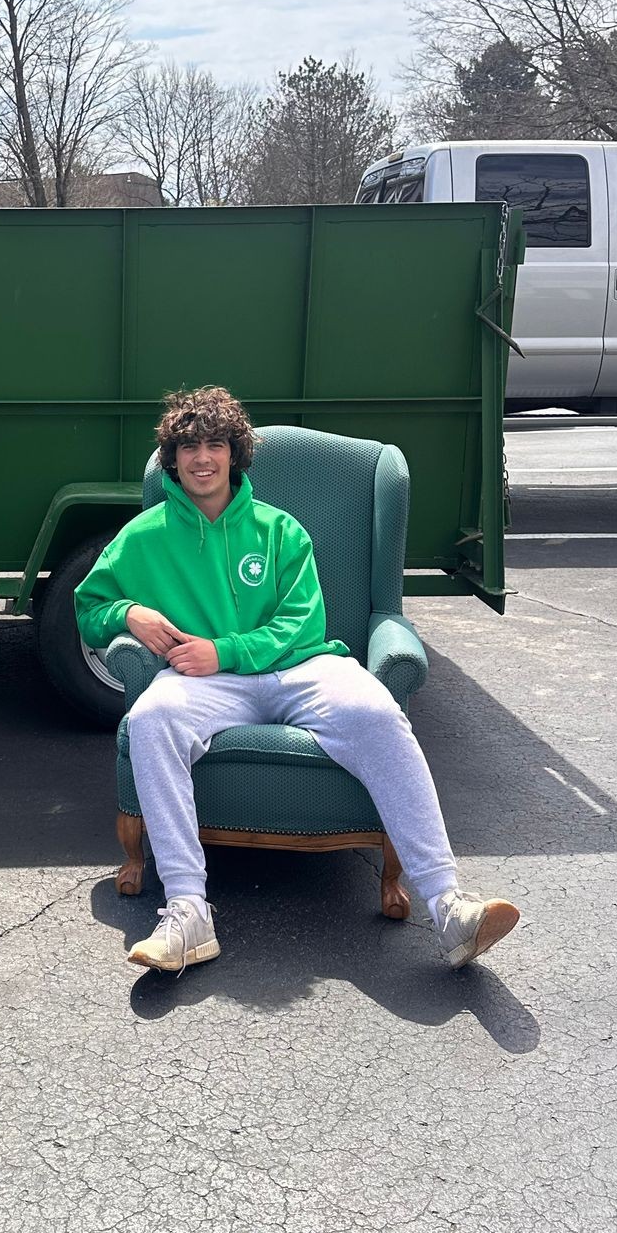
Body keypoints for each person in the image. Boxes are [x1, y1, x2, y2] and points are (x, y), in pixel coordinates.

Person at [74, 386, 519, 974]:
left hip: (300, 667)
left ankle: (449, 906)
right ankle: (187, 914)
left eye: (214, 445)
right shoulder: (144, 535)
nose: (201, 459)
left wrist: (224, 650)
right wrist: (129, 613)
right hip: (206, 682)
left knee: (379, 712)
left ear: (235, 454)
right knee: (153, 717)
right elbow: (88, 605)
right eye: (188, 447)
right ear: (172, 459)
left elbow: (301, 623)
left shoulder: (280, 529)